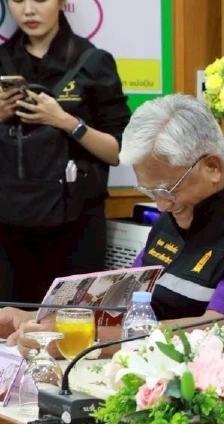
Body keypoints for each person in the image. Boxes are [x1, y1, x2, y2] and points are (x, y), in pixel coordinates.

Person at [6, 94, 224, 355]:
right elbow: (126, 300)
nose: (160, 205)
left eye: (166, 190)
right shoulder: (177, 208)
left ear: (212, 166)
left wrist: (85, 339)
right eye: (149, 191)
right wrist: (39, 320)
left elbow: (222, 332)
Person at [0, 0, 131, 304]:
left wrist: (65, 121)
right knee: (8, 324)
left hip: (76, 227)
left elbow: (118, 152)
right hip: (8, 227)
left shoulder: (93, 62)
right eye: (17, 1)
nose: (28, 10)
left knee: (74, 322)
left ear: (61, 2)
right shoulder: (3, 61)